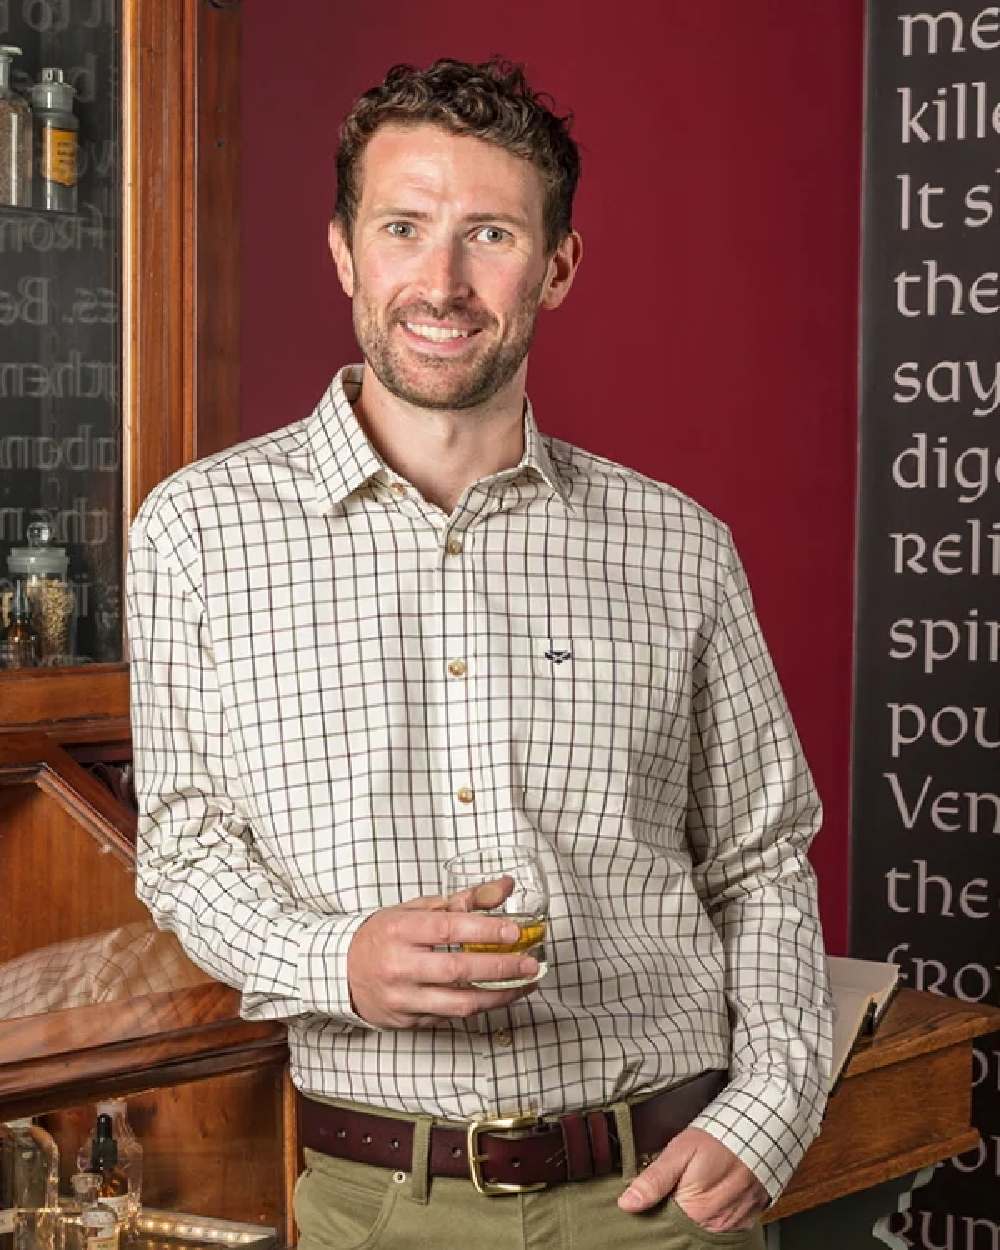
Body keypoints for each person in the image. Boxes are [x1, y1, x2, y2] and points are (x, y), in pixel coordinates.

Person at [127, 57, 832, 1250]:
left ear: (555, 266)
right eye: (403, 227)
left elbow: (761, 857)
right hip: (371, 1205)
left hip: (656, 1201)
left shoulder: (678, 546)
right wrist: (335, 956)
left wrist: (773, 1101)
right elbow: (185, 848)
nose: (441, 282)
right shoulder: (197, 531)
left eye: (489, 234)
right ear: (346, 251)